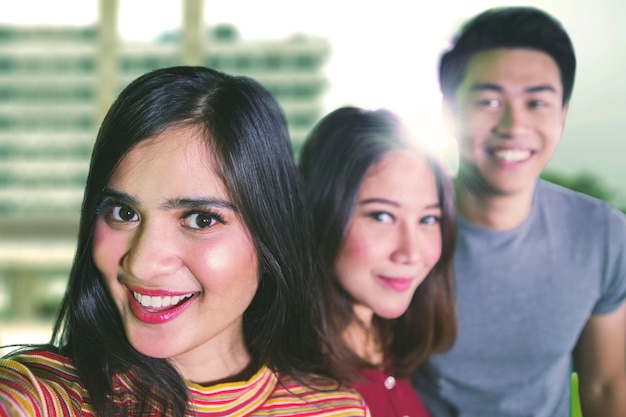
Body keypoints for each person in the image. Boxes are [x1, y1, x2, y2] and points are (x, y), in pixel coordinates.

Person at [0, 66, 370, 417]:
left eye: (200, 219)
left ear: (271, 232)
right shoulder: (39, 396)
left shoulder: (335, 409)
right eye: (123, 213)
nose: (142, 263)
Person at [412, 6, 626, 417]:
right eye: (489, 101)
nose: (513, 125)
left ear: (562, 115)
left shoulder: (602, 234)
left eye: (537, 103)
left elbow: (603, 387)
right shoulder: (405, 237)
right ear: (448, 112)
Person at [299, 106, 457, 417]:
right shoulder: (292, 388)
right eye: (382, 216)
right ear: (322, 213)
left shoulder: (388, 341)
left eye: (427, 219)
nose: (410, 252)